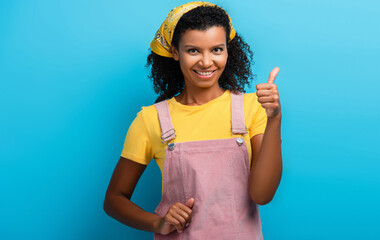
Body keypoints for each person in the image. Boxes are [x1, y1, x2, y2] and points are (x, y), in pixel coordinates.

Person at [103, 2, 283, 239]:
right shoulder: (152, 119)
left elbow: (262, 195)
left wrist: (275, 119)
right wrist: (158, 223)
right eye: (193, 51)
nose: (207, 62)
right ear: (175, 52)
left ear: (228, 50)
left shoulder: (252, 108)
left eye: (217, 50)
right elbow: (114, 200)